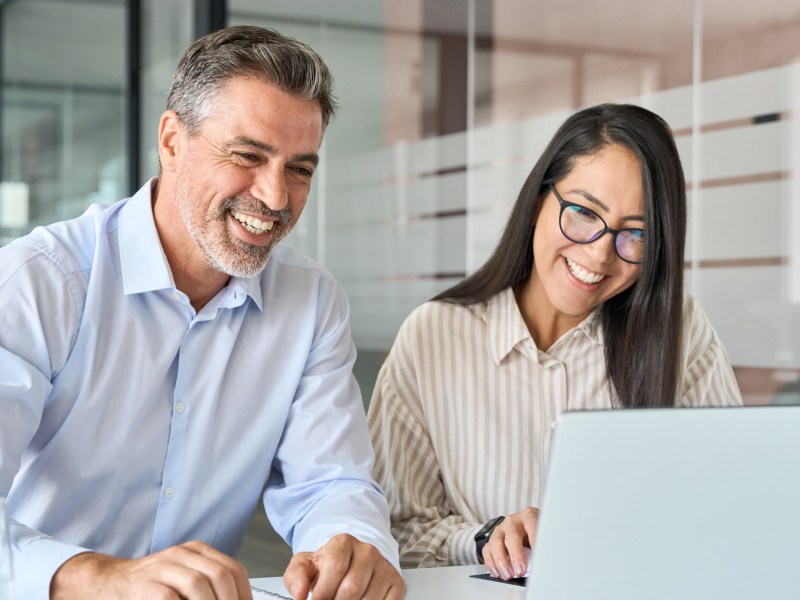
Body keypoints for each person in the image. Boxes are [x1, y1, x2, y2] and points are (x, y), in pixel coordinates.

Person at [0, 25, 404, 600]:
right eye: (247, 155)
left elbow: (330, 482)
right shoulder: (41, 282)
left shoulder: (311, 302)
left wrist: (349, 545)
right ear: (171, 141)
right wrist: (101, 578)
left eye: (300, 169)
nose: (274, 197)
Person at [367, 103, 743, 580]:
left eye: (636, 234)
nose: (600, 253)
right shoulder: (433, 336)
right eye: (584, 212)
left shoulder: (680, 331)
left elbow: (730, 510)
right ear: (537, 202)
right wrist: (486, 539)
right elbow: (393, 535)